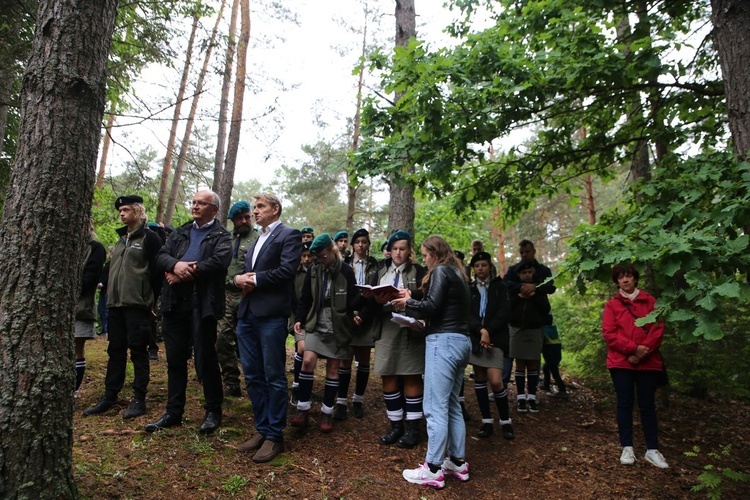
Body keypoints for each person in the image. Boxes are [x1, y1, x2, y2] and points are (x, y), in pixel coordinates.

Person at [145, 190, 231, 434]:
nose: (195, 206)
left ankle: (213, 411)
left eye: (201, 203)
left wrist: (184, 271)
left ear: (213, 209)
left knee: (206, 359)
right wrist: (174, 265)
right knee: (174, 359)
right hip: (175, 303)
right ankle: (174, 412)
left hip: (203, 304)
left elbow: (219, 262)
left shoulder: (220, 235)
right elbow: (161, 256)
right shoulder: (181, 232)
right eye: (193, 202)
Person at [392, 236, 472, 489]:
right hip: (462, 341)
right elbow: (444, 302)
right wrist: (413, 293)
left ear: (435, 254)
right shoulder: (458, 274)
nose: (424, 260)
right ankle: (457, 462)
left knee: (434, 406)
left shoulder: (439, 271)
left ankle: (433, 468)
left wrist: (408, 302)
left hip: (443, 343)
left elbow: (432, 306)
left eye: (425, 255)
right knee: (452, 405)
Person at [233, 193, 302, 463]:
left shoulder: (289, 235)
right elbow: (247, 271)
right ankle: (261, 429)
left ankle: (275, 435)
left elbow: (287, 271)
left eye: (260, 207)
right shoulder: (256, 239)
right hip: (247, 314)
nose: (255, 211)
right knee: (252, 375)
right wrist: (239, 277)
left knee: (273, 375)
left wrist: (256, 279)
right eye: (254, 207)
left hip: (271, 315)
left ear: (275, 209)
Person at [84, 195, 163, 419]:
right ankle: (110, 396)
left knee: (138, 351)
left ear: (137, 211)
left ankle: (139, 399)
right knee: (115, 350)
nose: (121, 213)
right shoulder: (120, 241)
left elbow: (157, 274)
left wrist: (149, 301)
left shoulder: (151, 238)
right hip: (115, 305)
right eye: (120, 210)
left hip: (137, 305)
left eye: (126, 209)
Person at [363, 230, 426, 448]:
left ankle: (413, 428)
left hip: (411, 328)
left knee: (411, 376)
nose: (398, 253)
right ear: (389, 250)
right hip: (386, 327)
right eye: (395, 249)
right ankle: (395, 425)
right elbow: (370, 302)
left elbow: (427, 297)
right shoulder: (379, 270)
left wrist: (410, 297)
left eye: (403, 249)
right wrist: (375, 300)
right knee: (388, 375)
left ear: (410, 251)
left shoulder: (420, 272)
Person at [602, 264, 668, 469]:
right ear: (616, 281)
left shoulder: (650, 301)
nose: (625, 280)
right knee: (624, 403)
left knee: (647, 404)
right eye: (620, 277)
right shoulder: (612, 305)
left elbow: (658, 329)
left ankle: (652, 450)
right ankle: (627, 448)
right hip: (621, 362)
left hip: (648, 362)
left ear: (635, 278)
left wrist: (642, 352)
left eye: (628, 276)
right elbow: (609, 333)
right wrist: (632, 350)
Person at [291, 234, 357, 432]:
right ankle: (303, 409)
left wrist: (357, 311)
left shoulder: (346, 271)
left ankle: (327, 413)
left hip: (337, 325)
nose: (320, 260)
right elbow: (305, 298)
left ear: (332, 250)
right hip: (316, 320)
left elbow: (354, 298)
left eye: (323, 256)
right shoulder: (314, 270)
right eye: (317, 257)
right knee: (308, 360)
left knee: (334, 368)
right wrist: (299, 319)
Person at [333, 228, 379, 420]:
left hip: (367, 317)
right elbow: (340, 290)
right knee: (346, 357)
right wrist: (350, 314)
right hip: (347, 316)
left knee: (363, 358)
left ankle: (358, 400)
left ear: (368, 244)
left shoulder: (376, 266)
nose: (361, 245)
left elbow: (377, 293)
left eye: (364, 242)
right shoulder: (344, 264)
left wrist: (363, 315)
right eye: (357, 242)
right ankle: (341, 401)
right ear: (352, 245)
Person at [468, 252, 515, 440]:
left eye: (484, 265)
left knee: (495, 380)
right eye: (477, 265)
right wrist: (480, 330)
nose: (480, 268)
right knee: (479, 378)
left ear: (490, 267)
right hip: (477, 338)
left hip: (495, 338)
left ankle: (505, 420)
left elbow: (504, 311)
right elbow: (466, 313)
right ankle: (486, 421)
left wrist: (489, 330)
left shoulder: (499, 286)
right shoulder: (469, 289)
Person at [216, 200, 256, 397]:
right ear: (233, 220)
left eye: (248, 216)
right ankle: (231, 381)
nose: (245, 220)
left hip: (251, 296)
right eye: (240, 218)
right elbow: (217, 267)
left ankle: (255, 382)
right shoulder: (224, 239)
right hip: (227, 294)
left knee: (250, 341)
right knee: (222, 338)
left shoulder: (258, 238)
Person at [507, 262, 550, 413]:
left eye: (529, 272)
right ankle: (520, 397)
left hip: (534, 330)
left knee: (532, 363)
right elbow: (508, 307)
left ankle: (531, 396)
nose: (526, 275)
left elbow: (546, 309)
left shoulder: (539, 290)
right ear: (518, 275)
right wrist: (519, 297)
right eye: (523, 272)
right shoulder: (513, 289)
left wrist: (534, 296)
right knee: (519, 364)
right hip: (517, 329)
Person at [74, 224, 106, 396]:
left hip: (81, 308)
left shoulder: (95, 248)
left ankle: (73, 390)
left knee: (76, 348)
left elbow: (90, 279)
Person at [289, 240, 313, 405]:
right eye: (303, 256)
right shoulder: (294, 274)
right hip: (298, 317)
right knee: (302, 348)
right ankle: (297, 384)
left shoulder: (316, 272)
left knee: (310, 355)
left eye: (309, 255)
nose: (306, 259)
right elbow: (292, 298)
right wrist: (297, 318)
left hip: (314, 318)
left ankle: (306, 386)